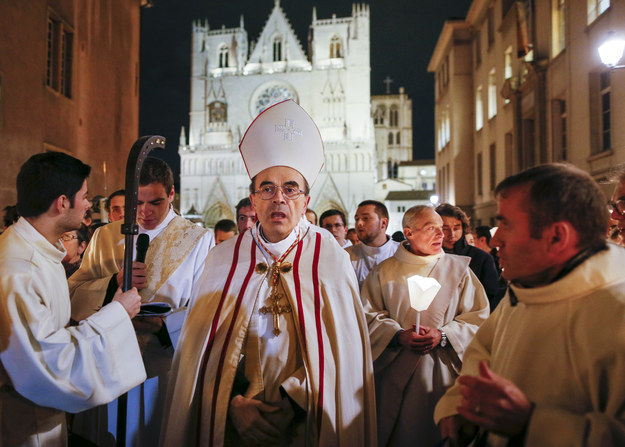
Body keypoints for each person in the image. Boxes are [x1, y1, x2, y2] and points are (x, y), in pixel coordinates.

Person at [161, 100, 376, 446]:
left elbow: (342, 355)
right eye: (267, 188)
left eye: (290, 188)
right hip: (234, 419)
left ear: (305, 201)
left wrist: (292, 403)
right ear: (253, 199)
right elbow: (202, 354)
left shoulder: (329, 258)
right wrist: (236, 403)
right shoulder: (223, 259)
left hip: (306, 420)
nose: (279, 198)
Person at [435, 163, 625, 446]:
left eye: (506, 225)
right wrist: (461, 406)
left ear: (556, 237)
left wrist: (532, 423)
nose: (495, 240)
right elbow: (483, 351)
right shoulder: (529, 286)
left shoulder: (615, 310)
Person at [0, 152, 145, 446]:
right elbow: (48, 364)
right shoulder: (18, 269)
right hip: (23, 424)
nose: (90, 204)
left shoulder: (40, 250)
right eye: (85, 195)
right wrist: (117, 313)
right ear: (62, 202)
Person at [69, 157, 215, 446]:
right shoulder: (106, 236)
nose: (145, 212)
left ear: (172, 195)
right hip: (108, 362)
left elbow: (208, 305)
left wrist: (165, 326)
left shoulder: (198, 239)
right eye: (138, 202)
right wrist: (113, 283)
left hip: (162, 363)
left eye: (156, 202)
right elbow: (74, 292)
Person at [361, 205, 489, 446]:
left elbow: (478, 319)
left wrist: (443, 334)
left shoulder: (460, 271)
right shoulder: (383, 273)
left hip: (444, 371)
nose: (441, 235)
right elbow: (366, 317)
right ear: (408, 233)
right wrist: (398, 335)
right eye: (432, 229)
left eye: (441, 229)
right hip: (395, 369)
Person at [436, 204, 504, 310]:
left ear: (463, 228)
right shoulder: (429, 256)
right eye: (445, 229)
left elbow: (492, 296)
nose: (452, 234)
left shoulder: (482, 258)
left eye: (456, 228)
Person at [346, 200, 399, 288]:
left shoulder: (401, 252)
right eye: (356, 219)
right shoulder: (347, 256)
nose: (359, 223)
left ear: (383, 223)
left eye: (366, 218)